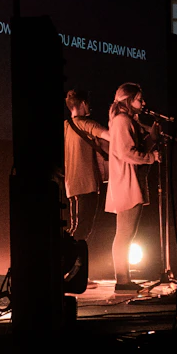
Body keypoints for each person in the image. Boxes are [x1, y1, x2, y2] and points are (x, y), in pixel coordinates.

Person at [104, 83, 159, 293]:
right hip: (126, 183)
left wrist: (152, 139)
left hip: (129, 181)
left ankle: (124, 278)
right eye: (139, 99)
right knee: (125, 234)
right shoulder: (121, 121)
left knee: (127, 233)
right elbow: (127, 153)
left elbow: (135, 148)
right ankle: (122, 280)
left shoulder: (127, 121)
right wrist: (151, 157)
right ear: (127, 100)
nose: (143, 103)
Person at [63, 89, 110, 290]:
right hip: (87, 184)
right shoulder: (86, 123)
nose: (90, 107)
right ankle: (73, 273)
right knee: (81, 231)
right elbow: (109, 135)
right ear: (82, 103)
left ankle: (72, 272)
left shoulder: (65, 126)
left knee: (76, 229)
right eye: (88, 103)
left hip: (72, 185)